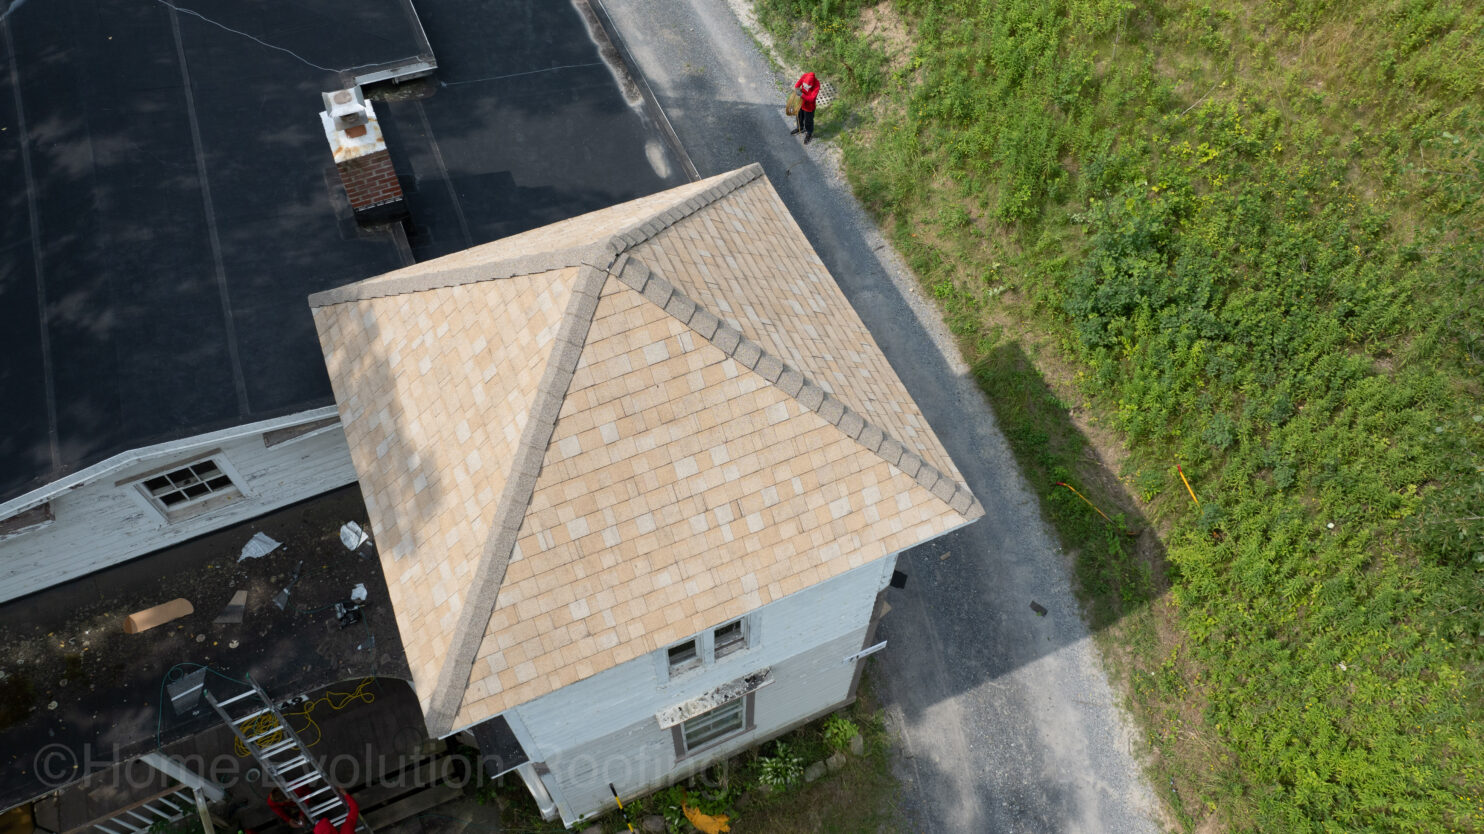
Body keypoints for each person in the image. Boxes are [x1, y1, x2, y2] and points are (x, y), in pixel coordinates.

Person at [792, 72, 820, 145]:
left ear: (812, 84)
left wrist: (801, 94)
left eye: (808, 86)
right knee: (799, 116)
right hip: (801, 102)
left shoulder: (817, 84)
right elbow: (797, 85)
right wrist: (797, 89)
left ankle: (809, 133)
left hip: (809, 106)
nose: (806, 87)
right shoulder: (804, 76)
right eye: (805, 85)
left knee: (808, 121)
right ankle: (800, 128)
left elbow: (812, 99)